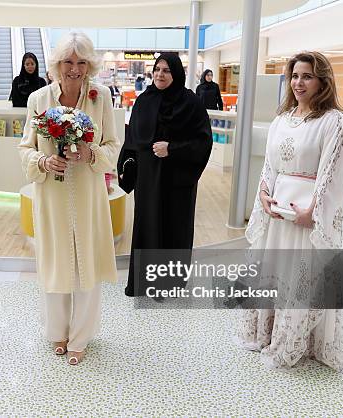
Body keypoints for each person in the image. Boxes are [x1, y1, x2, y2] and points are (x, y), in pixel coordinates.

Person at [238, 51, 343, 372]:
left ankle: (295, 340)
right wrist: (262, 193)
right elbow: (270, 166)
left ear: (322, 81)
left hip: (304, 217)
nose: (299, 83)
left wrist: (313, 213)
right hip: (277, 214)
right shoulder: (281, 119)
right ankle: (270, 331)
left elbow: (331, 173)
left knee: (302, 277)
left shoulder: (333, 122)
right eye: (295, 76)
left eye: (307, 76)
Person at [18, 32, 119, 365]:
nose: (74, 69)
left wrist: (91, 153)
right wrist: (44, 161)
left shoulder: (100, 96)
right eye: (67, 62)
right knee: (56, 261)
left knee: (86, 262)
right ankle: (57, 331)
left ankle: (81, 336)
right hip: (52, 195)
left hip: (89, 193)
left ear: (90, 65)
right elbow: (26, 149)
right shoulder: (39, 99)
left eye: (81, 62)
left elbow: (112, 146)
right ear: (56, 65)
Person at [117, 53, 212, 297]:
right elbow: (132, 140)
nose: (160, 74)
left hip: (177, 180)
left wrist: (172, 148)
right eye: (157, 69)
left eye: (166, 70)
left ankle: (168, 286)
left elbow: (202, 142)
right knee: (148, 225)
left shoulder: (190, 103)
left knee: (174, 227)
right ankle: (143, 282)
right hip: (148, 179)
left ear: (177, 73)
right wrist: (127, 171)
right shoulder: (144, 101)